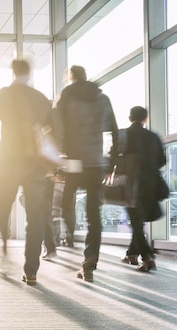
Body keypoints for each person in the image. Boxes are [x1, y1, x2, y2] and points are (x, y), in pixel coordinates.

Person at [0, 59, 52, 285]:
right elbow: (52, 132)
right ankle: (31, 270)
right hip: (36, 164)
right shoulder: (40, 98)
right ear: (29, 73)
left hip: (10, 160)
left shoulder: (2, 95)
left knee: (2, 207)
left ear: (12, 72)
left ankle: (3, 249)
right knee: (35, 216)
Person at [56, 65, 118, 282]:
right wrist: (110, 162)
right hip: (94, 164)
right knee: (94, 216)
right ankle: (89, 263)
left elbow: (58, 127)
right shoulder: (102, 98)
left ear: (71, 78)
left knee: (66, 202)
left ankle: (69, 234)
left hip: (74, 161)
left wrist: (58, 160)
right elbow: (114, 130)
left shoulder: (67, 95)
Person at [119, 106, 166, 272]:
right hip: (150, 184)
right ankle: (131, 254)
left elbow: (116, 156)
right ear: (145, 118)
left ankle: (147, 257)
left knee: (135, 221)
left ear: (130, 118)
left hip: (131, 182)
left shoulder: (124, 134)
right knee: (138, 221)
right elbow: (162, 161)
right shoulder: (153, 136)